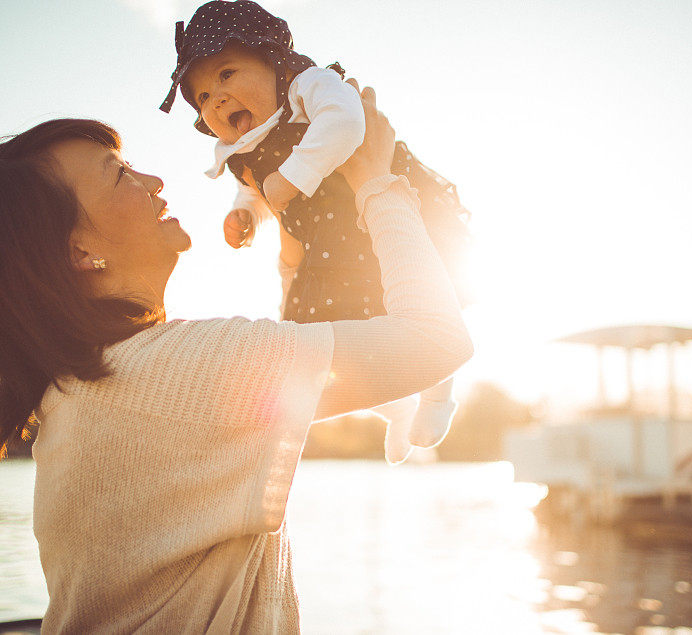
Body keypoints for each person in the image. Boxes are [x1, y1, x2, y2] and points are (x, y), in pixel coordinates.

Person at [0, 82, 472, 632]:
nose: (153, 181)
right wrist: (376, 181)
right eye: (119, 174)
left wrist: (293, 256)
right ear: (81, 251)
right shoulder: (175, 371)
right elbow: (437, 340)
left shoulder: (88, 387)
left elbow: (294, 365)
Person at [158, 0, 473, 463]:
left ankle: (437, 395)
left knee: (419, 295)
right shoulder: (244, 145)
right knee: (321, 347)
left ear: (271, 59)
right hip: (329, 245)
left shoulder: (308, 85)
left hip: (380, 207)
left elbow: (346, 122)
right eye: (202, 96)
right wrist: (247, 212)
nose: (217, 99)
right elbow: (259, 188)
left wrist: (290, 178)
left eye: (226, 74)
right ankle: (396, 407)